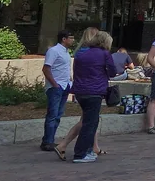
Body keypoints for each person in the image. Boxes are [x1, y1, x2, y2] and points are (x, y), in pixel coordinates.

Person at [69, 28, 113, 163]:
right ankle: (80, 154)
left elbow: (75, 71)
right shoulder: (105, 54)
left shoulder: (81, 54)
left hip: (80, 91)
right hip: (95, 91)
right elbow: (112, 71)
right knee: (90, 124)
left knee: (89, 121)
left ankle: (88, 151)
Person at [40, 29, 74, 153]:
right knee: (52, 114)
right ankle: (47, 141)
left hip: (65, 86)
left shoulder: (66, 52)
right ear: (63, 39)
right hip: (56, 87)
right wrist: (54, 84)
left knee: (58, 115)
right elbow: (46, 68)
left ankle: (50, 139)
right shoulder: (53, 51)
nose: (72, 40)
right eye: (70, 38)